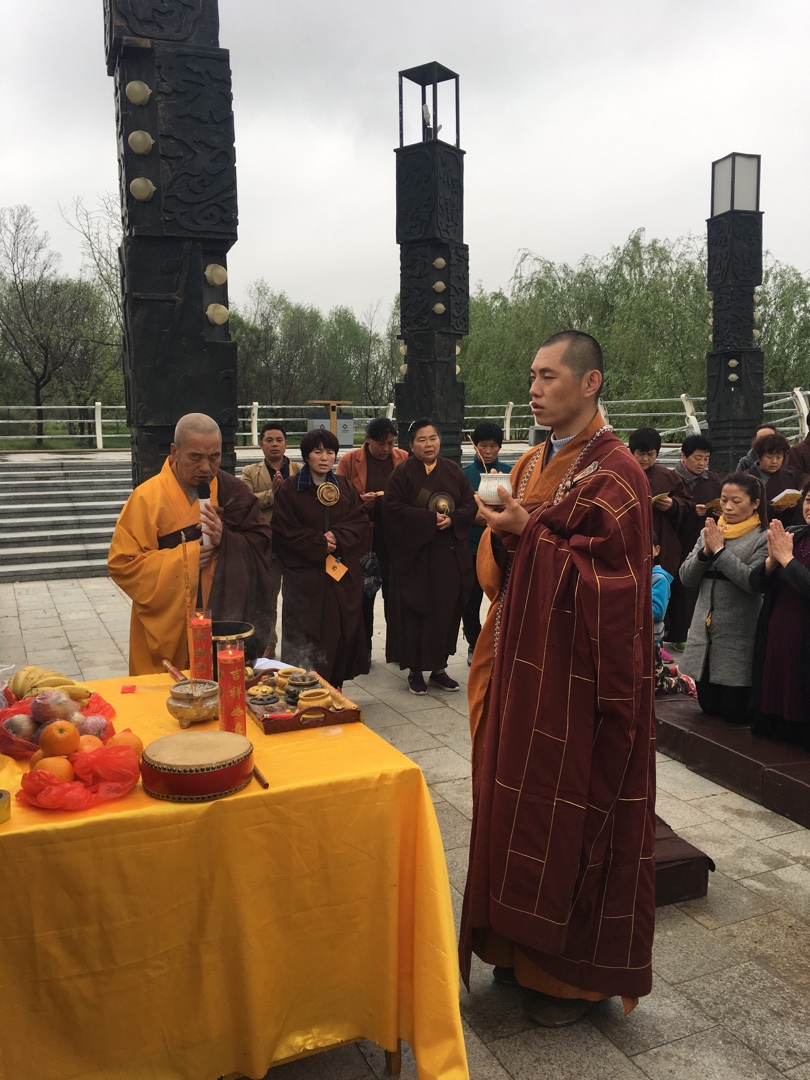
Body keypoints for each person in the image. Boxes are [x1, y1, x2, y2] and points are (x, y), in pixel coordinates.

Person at [460, 330, 656, 1028]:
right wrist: (513, 534)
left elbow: (617, 586)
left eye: (547, 376)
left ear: (590, 382)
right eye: (532, 375)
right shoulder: (533, 462)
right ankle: (514, 955)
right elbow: (498, 569)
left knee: (567, 809)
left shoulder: (618, 475)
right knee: (513, 803)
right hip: (520, 665)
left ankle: (568, 979)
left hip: (579, 683)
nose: (535, 388)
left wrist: (530, 534)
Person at [108, 413, 274, 676]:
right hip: (168, 626)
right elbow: (122, 565)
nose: (206, 468)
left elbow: (262, 543)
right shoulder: (147, 498)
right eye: (195, 457)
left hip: (222, 620)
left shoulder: (233, 492)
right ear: (175, 451)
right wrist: (185, 559)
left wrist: (227, 540)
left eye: (214, 457)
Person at [383, 419, 476, 696]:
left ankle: (438, 667)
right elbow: (392, 508)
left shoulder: (453, 470)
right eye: (422, 439)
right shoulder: (402, 474)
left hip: (447, 555)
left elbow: (470, 503)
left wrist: (454, 519)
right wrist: (427, 519)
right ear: (411, 445)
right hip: (416, 557)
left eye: (433, 438)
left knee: (445, 611)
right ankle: (414, 670)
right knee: (415, 612)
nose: (429, 444)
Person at [272, 429, 370, 688]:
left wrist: (337, 537)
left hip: (339, 572)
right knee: (306, 629)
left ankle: (335, 683)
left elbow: (359, 519)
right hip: (305, 577)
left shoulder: (345, 486)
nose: (324, 458)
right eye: (317, 452)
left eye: (329, 452)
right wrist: (317, 542)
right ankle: (302, 684)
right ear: (306, 456)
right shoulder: (292, 489)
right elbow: (283, 530)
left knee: (340, 628)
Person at [679, 472, 768, 724]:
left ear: (755, 504)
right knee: (708, 709)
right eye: (724, 500)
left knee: (735, 714)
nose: (728, 507)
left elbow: (752, 582)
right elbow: (686, 577)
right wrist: (706, 551)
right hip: (703, 635)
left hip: (738, 637)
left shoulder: (762, 538)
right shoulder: (711, 530)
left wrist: (720, 551)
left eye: (736, 501)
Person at [336, 417, 408, 652]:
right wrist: (360, 502)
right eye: (381, 444)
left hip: (393, 537)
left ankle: (397, 650)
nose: (387, 449)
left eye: (390, 443)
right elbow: (337, 498)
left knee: (395, 594)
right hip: (364, 538)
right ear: (368, 440)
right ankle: (362, 651)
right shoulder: (350, 460)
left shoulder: (402, 458)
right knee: (363, 596)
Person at [749, 484, 810, 748]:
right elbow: (756, 583)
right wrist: (772, 562)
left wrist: (787, 560)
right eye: (809, 500)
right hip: (778, 625)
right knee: (775, 681)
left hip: (804, 630)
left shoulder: (789, 548)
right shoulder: (794, 535)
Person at [240, 422, 302, 658]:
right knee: (268, 598)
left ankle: (295, 646)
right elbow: (245, 502)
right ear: (261, 444)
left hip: (295, 545)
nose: (274, 444)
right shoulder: (250, 471)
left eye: (279, 440)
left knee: (295, 599)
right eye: (269, 440)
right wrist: (273, 495)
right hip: (268, 545)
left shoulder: (299, 469)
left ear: (286, 444)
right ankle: (269, 645)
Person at [461, 422, 512, 666]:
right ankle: (474, 641)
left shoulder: (509, 471)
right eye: (483, 446)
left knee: (502, 597)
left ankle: (500, 644)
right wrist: (474, 516)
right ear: (475, 446)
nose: (488, 451)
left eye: (493, 446)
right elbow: (458, 506)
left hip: (501, 545)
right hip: (472, 546)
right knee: (471, 600)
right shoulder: (464, 474)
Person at [667, 434, 722, 647]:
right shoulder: (673, 480)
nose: (702, 464)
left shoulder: (713, 480)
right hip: (681, 541)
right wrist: (690, 512)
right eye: (697, 458)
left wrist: (719, 510)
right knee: (681, 588)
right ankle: (678, 634)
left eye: (706, 459)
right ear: (684, 456)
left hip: (706, 539)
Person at [628, 427, 692, 586]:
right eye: (640, 454)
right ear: (631, 452)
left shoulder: (667, 476)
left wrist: (673, 505)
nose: (645, 459)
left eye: (650, 455)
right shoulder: (622, 475)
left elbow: (688, 502)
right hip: (630, 536)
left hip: (661, 538)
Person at [652, 532, 696, 697]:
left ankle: (684, 682)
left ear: (656, 550)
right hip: (633, 638)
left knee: (654, 687)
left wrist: (630, 604)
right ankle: (667, 671)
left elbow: (657, 611)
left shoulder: (658, 579)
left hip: (651, 641)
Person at [745, 431, 803, 525]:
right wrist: (772, 508)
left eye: (779, 457)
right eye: (769, 457)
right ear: (758, 457)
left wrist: (794, 506)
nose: (774, 461)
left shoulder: (790, 476)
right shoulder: (745, 478)